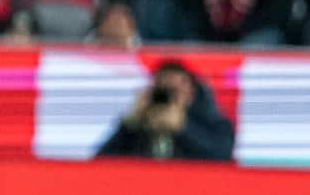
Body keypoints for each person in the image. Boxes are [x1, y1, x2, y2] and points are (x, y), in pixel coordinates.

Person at [94, 61, 235, 161]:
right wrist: (130, 123)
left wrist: (183, 128)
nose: (168, 98)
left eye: (174, 91)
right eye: (162, 90)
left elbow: (222, 156)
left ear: (191, 92)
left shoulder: (213, 122)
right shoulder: (136, 126)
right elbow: (102, 162)